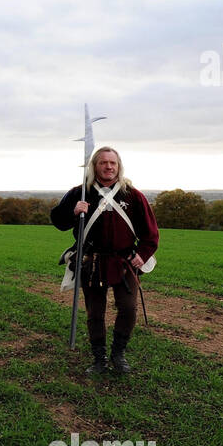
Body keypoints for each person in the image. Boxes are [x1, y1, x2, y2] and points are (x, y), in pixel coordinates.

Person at [50, 146, 159, 375]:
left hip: (124, 262)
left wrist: (143, 254)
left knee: (128, 309)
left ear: (118, 167)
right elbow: (58, 221)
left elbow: (150, 233)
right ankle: (99, 359)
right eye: (103, 163)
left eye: (113, 163)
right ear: (95, 166)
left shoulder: (133, 195)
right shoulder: (80, 193)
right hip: (92, 261)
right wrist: (73, 211)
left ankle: (118, 355)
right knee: (95, 313)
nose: (108, 167)